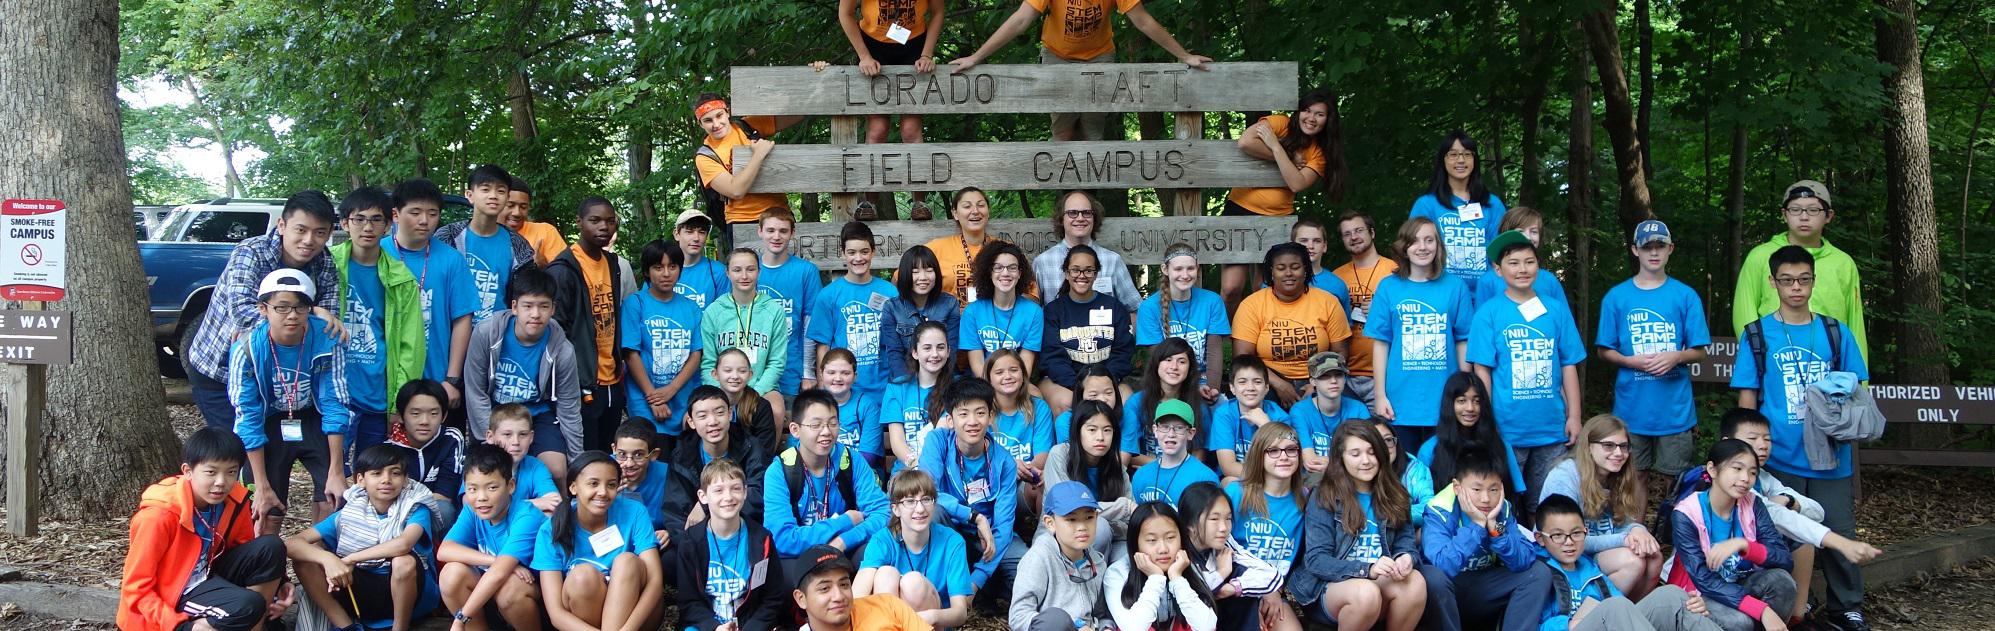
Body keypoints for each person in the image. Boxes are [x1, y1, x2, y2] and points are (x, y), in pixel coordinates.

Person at [1729, 244, 1871, 630]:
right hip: (1778, 455)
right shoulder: (1757, 334)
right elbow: (1748, 399)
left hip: (1830, 453)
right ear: (1772, 282)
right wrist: (1749, 452)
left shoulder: (1834, 332)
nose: (1796, 287)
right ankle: (1795, 604)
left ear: (1813, 281)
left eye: (1804, 279)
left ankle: (1847, 607)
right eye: (1787, 280)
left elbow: (1855, 387)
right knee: (1782, 531)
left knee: (1838, 528)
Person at [186, 190, 342, 430]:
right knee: (235, 445)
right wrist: (312, 314)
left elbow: (326, 328)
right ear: (282, 225)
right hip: (219, 369)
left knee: (269, 448)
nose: (309, 240)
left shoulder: (325, 263)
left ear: (329, 234)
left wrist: (309, 320)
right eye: (301, 230)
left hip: (275, 379)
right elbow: (242, 312)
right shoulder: (251, 252)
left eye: (319, 232)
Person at [949, 0, 1210, 141]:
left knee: (1093, 131)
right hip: (1057, 56)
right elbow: (1020, 20)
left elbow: (1142, 20)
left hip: (1099, 57)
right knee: (1062, 130)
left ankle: (1089, 201)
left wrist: (1184, 55)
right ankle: (1067, 202)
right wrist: (977, 57)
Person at [1718, 408, 1883, 623]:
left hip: (1745, 566)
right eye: (1752, 438)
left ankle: (1797, 616)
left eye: (1767, 439)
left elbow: (1817, 511)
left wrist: (1789, 500)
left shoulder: (1763, 478)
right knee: (1741, 622)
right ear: (1727, 442)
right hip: (1711, 579)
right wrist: (1842, 544)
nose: (1762, 445)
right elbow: (1779, 517)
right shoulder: (1725, 482)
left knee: (1796, 548)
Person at [119, 428, 292, 631]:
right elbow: (135, 588)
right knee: (246, 606)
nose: (221, 482)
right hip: (173, 595)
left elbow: (245, 548)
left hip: (207, 575)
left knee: (271, 546)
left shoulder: (233, 500)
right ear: (188, 471)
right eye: (211, 472)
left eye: (231, 472)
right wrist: (179, 626)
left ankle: (258, 625)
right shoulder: (157, 517)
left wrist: (279, 582)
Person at [1468, 230, 1585, 512]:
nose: (1522, 269)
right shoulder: (1488, 313)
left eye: (1529, 262)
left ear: (1538, 266)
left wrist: (1574, 416)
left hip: (1552, 427)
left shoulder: (1555, 310)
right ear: (1498, 270)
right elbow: (1482, 371)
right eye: (1514, 263)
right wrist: (1487, 420)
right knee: (1504, 502)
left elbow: (1569, 363)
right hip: (1507, 428)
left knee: (1547, 503)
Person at [231, 269, 351, 528]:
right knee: (266, 509)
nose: (293, 315)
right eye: (282, 307)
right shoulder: (247, 349)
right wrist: (261, 486)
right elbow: (247, 416)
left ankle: (317, 550)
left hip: (312, 415)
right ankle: (267, 551)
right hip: (270, 419)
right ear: (263, 309)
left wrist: (337, 471)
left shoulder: (328, 339)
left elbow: (335, 402)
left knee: (333, 498)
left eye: (300, 307)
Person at [1288, 420, 1429, 631]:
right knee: (1366, 593)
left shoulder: (1395, 493)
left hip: (1376, 581)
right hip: (1329, 588)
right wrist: (1367, 569)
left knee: (1415, 582)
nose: (1366, 460)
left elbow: (1405, 543)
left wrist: (1405, 558)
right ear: (1341, 457)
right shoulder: (1324, 495)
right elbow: (1316, 560)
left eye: (1372, 452)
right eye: (1355, 454)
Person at [1597, 219, 1710, 477]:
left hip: (1675, 410)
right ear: (1635, 250)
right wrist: (1630, 361)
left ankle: (1672, 508)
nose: (1654, 252)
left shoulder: (1685, 295)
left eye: (1660, 246)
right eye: (1647, 247)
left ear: (1671, 249)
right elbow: (1603, 350)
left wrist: (1677, 356)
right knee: (1632, 478)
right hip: (1631, 408)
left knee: (1676, 479)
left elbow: (1701, 351)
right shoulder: (1616, 297)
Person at [286, 445, 442, 631]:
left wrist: (351, 559)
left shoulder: (415, 507)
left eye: (395, 473)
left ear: (405, 480)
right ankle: (346, 626)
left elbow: (404, 544)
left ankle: (400, 627)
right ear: (360, 480)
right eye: (376, 473)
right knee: (305, 561)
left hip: (407, 592)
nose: (386, 480)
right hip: (358, 588)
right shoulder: (350, 513)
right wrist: (327, 559)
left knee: (404, 562)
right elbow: (291, 544)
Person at [1535, 494, 1722, 631]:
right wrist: (1567, 625)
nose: (1569, 542)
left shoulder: (1589, 568)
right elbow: (1527, 621)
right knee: (1614, 607)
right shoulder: (1537, 570)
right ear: (1540, 538)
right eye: (1558, 535)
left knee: (1672, 596)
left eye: (1576, 533)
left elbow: (1621, 607)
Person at [1221, 92, 1343, 303]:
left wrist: (1277, 147)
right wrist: (1289, 157)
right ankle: (1230, 326)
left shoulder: (1318, 153)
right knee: (1231, 288)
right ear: (1298, 111)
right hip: (1240, 208)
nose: (1311, 118)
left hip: (1277, 219)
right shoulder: (1280, 123)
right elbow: (1245, 142)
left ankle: (1257, 325)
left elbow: (1297, 183)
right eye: (1307, 110)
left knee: (1263, 288)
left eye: (1319, 114)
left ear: (1328, 119)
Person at [1666, 440, 1798, 631]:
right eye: (1737, 469)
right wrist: (1761, 610)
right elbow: (1703, 578)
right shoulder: (1686, 513)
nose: (1745, 478)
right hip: (1698, 594)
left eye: (1752, 473)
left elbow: (1784, 559)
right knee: (1740, 622)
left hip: (1740, 583)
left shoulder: (1753, 504)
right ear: (1712, 470)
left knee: (1782, 582)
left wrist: (1745, 545)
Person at [332, 187, 425, 457]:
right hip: (334, 391)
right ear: (345, 223)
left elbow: (411, 346)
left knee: (373, 469)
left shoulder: (401, 278)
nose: (367, 227)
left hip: (377, 393)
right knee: (330, 472)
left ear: (388, 225)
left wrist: (399, 402)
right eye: (359, 219)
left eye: (376, 220)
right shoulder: (327, 265)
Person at [465, 267, 583, 481]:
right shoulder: (486, 333)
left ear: (553, 308)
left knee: (557, 471)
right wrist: (488, 439)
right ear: (514, 307)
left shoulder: (563, 350)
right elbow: (475, 391)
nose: (535, 314)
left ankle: (561, 503)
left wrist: (577, 464)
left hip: (537, 414)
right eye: (528, 306)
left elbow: (569, 407)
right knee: (493, 470)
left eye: (543, 306)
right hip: (495, 412)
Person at [1420, 446, 1555, 631]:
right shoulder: (1439, 509)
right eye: (1477, 489)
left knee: (1538, 572)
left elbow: (1524, 559)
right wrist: (1476, 526)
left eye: (1493, 489)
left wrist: (1495, 529)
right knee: (1433, 577)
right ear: (1457, 487)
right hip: (1448, 591)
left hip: (1485, 587)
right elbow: (1441, 564)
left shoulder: (1502, 509)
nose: (1486, 498)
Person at [1731, 180, 1867, 360]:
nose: (1804, 217)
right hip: (1774, 359)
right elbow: (1744, 313)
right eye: (1795, 209)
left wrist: (1857, 373)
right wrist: (1757, 357)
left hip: (1830, 364)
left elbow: (1855, 322)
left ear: (1828, 216)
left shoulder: (1843, 263)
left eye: (1813, 210)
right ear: (1784, 214)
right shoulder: (1760, 257)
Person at [1367, 216, 1473, 448]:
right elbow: (1381, 344)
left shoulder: (1455, 286)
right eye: (1414, 241)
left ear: (1438, 245)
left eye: (1429, 240)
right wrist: (1380, 395)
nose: (1422, 247)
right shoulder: (1388, 287)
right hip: (1400, 401)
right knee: (1404, 467)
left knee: (1445, 466)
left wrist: (1465, 390)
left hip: (1445, 400)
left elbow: (1463, 340)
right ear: (1404, 247)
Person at [837, 0, 947, 220]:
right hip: (872, 44)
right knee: (877, 129)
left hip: (914, 44)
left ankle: (919, 202)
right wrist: (864, 56)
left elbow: (938, 12)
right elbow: (845, 13)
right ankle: (869, 202)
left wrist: (927, 54)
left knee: (911, 130)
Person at [532, 452, 665, 631]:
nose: (602, 492)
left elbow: (655, 582)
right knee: (581, 576)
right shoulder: (551, 529)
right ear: (573, 487)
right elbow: (556, 613)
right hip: (584, 617)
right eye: (593, 483)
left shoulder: (635, 511)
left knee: (627, 561)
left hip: (635, 618)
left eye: (611, 485)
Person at [1537, 414, 1665, 599]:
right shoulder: (1565, 477)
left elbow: (1623, 523)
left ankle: (1631, 610)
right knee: (1632, 561)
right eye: (1608, 445)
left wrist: (1637, 529)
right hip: (1566, 552)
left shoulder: (1618, 476)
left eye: (1623, 446)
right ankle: (1595, 611)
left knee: (1654, 557)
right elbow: (1566, 539)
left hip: (1596, 549)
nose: (1619, 453)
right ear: (1588, 446)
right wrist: (1626, 539)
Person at [383, 179, 477, 413]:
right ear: (396, 214)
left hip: (436, 380)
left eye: (432, 213)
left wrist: (452, 379)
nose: (424, 220)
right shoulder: (379, 253)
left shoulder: (452, 260)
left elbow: (462, 319)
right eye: (415, 212)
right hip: (384, 378)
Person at [917, 378, 1020, 591]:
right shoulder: (938, 442)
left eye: (980, 413)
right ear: (950, 419)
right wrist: (974, 516)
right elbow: (928, 492)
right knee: (932, 511)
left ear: (991, 416)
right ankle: (939, 591)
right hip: (950, 529)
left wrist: (976, 583)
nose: (972, 421)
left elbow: (1004, 525)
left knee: (1022, 564)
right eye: (963, 414)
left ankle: (982, 588)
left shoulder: (1005, 461)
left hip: (988, 536)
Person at [764, 388, 893, 558]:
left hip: (843, 553)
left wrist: (844, 540)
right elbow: (783, 540)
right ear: (795, 430)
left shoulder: (850, 460)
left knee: (873, 553)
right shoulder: (779, 471)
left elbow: (883, 512)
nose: (826, 432)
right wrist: (844, 522)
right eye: (816, 425)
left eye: (832, 424)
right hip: (799, 558)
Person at [544, 196, 628, 452]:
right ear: (579, 222)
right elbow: (556, 330)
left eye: (610, 221)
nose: (604, 227)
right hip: (582, 380)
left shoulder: (612, 263)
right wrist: (573, 378)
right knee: (585, 454)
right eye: (595, 220)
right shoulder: (564, 269)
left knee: (609, 450)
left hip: (612, 375)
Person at [438, 443, 547, 631]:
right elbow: (445, 550)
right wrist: (494, 560)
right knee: (451, 574)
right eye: (473, 489)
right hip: (491, 594)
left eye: (492, 488)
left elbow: (499, 573)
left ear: (510, 485)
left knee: (510, 588)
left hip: (531, 601)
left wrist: (460, 619)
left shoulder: (527, 516)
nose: (481, 497)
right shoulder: (473, 510)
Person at [1232, 242, 1351, 406]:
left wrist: (1317, 383)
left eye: (1295, 267)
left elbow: (1340, 352)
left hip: (1320, 376)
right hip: (1267, 380)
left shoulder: (1328, 302)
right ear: (1272, 272)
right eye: (1281, 268)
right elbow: (1243, 357)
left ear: (1305, 270)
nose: (1288, 273)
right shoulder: (1251, 305)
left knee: (1352, 409)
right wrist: (1279, 385)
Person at [855, 470, 975, 628]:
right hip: (891, 624)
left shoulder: (952, 541)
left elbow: (960, 613)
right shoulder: (882, 540)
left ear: (934, 504)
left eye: (926, 499)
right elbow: (857, 598)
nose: (920, 509)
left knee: (912, 583)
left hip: (931, 624)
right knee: (885, 574)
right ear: (896, 509)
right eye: (910, 501)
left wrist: (925, 617)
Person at [675, 459, 782, 631]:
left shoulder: (762, 540)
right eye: (718, 490)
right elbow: (688, 601)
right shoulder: (690, 542)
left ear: (745, 492)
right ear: (703, 496)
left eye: (736, 488)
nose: (728, 497)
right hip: (707, 625)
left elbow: (772, 598)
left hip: (750, 624)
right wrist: (714, 627)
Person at [620, 239, 704, 449]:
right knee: (656, 457)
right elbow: (631, 354)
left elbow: (696, 353)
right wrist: (654, 399)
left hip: (683, 400)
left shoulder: (691, 307)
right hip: (645, 401)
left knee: (686, 461)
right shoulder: (635, 304)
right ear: (647, 271)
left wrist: (672, 389)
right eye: (658, 267)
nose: (666, 273)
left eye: (672, 267)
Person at [434, 165, 537, 324]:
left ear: (507, 197)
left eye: (500, 191)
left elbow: (526, 296)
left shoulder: (518, 245)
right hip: (450, 328)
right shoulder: (447, 236)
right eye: (485, 189)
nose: (493, 196)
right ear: (470, 195)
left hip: (497, 331)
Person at [809, 221, 898, 402]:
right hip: (844, 387)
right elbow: (823, 346)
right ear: (843, 254)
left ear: (873, 251)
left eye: (864, 251)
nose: (858, 258)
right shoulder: (828, 295)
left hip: (884, 386)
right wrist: (823, 386)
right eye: (851, 252)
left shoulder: (890, 292)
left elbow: (898, 341)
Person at [1409, 131, 1508, 290]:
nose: (1461, 160)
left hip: (1485, 293)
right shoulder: (1426, 204)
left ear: (1475, 160)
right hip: (1440, 292)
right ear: (1443, 159)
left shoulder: (1492, 204)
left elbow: (1504, 252)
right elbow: (1415, 249)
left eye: (1467, 154)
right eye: (1453, 154)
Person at [700, 248, 790, 424]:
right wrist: (722, 393)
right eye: (737, 270)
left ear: (759, 272)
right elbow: (708, 363)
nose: (744, 276)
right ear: (727, 273)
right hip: (722, 387)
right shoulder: (714, 312)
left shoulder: (774, 310)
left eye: (750, 269)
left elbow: (776, 362)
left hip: (762, 387)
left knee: (776, 410)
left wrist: (754, 393)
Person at [664, 385, 773, 531]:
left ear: (730, 414)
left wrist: (705, 506)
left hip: (744, 529)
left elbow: (758, 495)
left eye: (719, 412)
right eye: (702, 416)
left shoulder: (751, 446)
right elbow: (675, 513)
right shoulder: (682, 455)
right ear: (691, 422)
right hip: (699, 537)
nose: (713, 421)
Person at [1040, 245, 1134, 411]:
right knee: (1066, 401)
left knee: (1127, 399)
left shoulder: (1114, 307)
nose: (1082, 275)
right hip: (1067, 382)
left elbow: (1122, 352)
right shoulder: (1053, 310)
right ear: (1066, 273)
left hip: (1107, 379)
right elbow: (1052, 357)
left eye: (1089, 270)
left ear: (1096, 274)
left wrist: (1103, 383)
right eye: (1075, 270)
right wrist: (1079, 386)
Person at [1008, 481, 1112, 631]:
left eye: (1089, 517)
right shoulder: (1039, 558)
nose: (1082, 527)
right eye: (1071, 519)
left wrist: (1106, 627)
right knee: (1057, 620)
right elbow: (1018, 616)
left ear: (1097, 517)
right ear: (1050, 523)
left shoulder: (1097, 562)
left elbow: (1101, 615)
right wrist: (1074, 626)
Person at [1043, 399, 1136, 559]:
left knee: (1129, 558)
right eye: (1092, 429)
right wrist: (1122, 508)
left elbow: (1128, 522)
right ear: (1077, 431)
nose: (1100, 437)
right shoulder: (1060, 455)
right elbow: (1068, 508)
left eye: (1107, 430)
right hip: (1062, 538)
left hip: (1113, 539)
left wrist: (1120, 514)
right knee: (1100, 527)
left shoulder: (1117, 468)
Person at [1107, 502, 1219, 631]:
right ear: (1135, 543)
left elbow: (1206, 626)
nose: (1163, 549)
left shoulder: (1182, 564)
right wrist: (1155, 578)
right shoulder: (1117, 573)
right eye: (1152, 540)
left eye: (1170, 537)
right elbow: (1133, 628)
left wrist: (1177, 578)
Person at [1136, 243, 1229, 399]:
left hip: (1204, 381)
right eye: (1178, 269)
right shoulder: (1149, 308)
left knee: (1219, 408)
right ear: (1165, 269)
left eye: (1190, 268)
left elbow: (1214, 352)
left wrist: (1212, 389)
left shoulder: (1212, 301)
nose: (1185, 275)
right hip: (1168, 383)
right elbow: (1158, 360)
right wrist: (1187, 392)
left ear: (1197, 268)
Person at [692, 93, 788, 242]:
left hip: (779, 213)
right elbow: (736, 191)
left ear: (727, 112)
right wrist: (759, 154)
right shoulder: (705, 156)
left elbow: (798, 115)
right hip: (743, 220)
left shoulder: (747, 127)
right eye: (708, 120)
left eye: (719, 115)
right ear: (700, 124)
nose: (716, 124)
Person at [1416, 372, 1527, 496]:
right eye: (1462, 400)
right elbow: (1422, 500)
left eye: (1477, 401)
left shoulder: (1501, 445)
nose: (1470, 408)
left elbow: (1515, 494)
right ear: (1449, 404)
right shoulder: (1429, 450)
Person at [1224, 423, 1308, 581]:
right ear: (1259, 455)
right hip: (1237, 583)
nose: (1284, 456)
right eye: (1273, 451)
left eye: (1291, 449)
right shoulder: (1236, 492)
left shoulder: (1305, 498)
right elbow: (1218, 548)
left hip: (1282, 586)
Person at [754, 209, 822, 404]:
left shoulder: (806, 271)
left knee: (790, 421)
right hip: (751, 371)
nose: (776, 237)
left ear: (792, 233)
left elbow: (810, 324)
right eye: (770, 230)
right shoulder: (748, 270)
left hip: (791, 370)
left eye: (783, 231)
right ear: (760, 231)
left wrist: (808, 371)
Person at [1032, 191, 1141, 310]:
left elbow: (1135, 309)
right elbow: (1030, 313)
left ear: (1094, 218)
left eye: (1086, 213)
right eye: (1072, 213)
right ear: (1061, 219)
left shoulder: (1112, 261)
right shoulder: (1042, 262)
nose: (1080, 218)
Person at [1330, 211, 1395, 406]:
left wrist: (1382, 311)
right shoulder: (1336, 277)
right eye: (1347, 234)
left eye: (1359, 230)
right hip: (1345, 374)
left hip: (1385, 372)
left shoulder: (1395, 271)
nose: (1354, 237)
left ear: (1372, 233)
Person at [791, 544, 935, 631]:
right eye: (824, 588)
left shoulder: (888, 605)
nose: (838, 596)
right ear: (801, 599)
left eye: (844, 584)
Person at [388, 380, 466, 528]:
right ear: (401, 416)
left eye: (433, 413)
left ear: (444, 416)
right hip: (398, 515)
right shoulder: (389, 448)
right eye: (415, 414)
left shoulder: (451, 439)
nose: (424, 421)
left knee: (443, 510)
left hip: (435, 511)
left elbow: (444, 495)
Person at [960, 240, 1042, 377]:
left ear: (1020, 273)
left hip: (1016, 381)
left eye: (1012, 268)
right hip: (982, 383)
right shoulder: (972, 312)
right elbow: (977, 366)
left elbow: (1025, 367)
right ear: (989, 272)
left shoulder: (1033, 312)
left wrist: (1010, 386)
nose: (1005, 273)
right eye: (998, 267)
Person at [1123, 338, 1211, 465]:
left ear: (1190, 368)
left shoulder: (1199, 406)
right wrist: (1163, 467)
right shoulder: (1136, 403)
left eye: (1182, 361)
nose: (1174, 367)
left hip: (1184, 473)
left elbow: (1199, 453)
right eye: (1168, 360)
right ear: (1156, 364)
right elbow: (1128, 452)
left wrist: (1175, 470)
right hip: (1147, 470)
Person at [1288, 351, 1371, 482]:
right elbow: (1310, 461)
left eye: (1338, 375)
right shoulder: (1300, 411)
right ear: (1313, 381)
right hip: (1314, 480)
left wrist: (1332, 465)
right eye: (1325, 376)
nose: (1333, 381)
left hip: (1351, 478)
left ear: (1345, 378)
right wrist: (1343, 463)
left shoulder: (1359, 409)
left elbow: (1366, 455)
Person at [882, 245, 962, 380]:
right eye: (915, 272)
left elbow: (951, 350)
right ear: (905, 274)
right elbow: (894, 354)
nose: (923, 277)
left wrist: (940, 384)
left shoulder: (949, 303)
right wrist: (908, 385)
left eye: (929, 270)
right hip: (907, 379)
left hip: (944, 378)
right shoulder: (892, 307)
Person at [988, 349, 1054, 511]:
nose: (1007, 376)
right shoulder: (982, 410)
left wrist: (1025, 471)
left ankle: (1043, 527)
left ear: (1023, 375)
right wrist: (1010, 467)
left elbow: (1042, 456)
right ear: (988, 378)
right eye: (999, 372)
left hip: (1025, 482)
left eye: (1013, 370)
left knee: (1044, 483)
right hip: (990, 485)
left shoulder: (1039, 407)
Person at [885, 321, 954, 471]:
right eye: (927, 348)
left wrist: (929, 469)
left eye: (940, 347)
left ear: (948, 351)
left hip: (943, 470)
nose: (934, 354)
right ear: (915, 353)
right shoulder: (896, 388)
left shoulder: (958, 388)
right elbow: (897, 442)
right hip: (907, 472)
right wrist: (916, 465)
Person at [1209, 356, 1291, 481]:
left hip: (1273, 481)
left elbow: (1285, 461)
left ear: (1266, 388)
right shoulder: (1224, 414)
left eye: (1257, 382)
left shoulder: (1280, 417)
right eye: (1242, 382)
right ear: (1232, 388)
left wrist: (1266, 426)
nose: (1250, 388)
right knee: (1229, 482)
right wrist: (1264, 477)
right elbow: (1228, 467)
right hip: (1243, 477)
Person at [1472, 206, 1568, 310]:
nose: (1528, 237)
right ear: (1506, 234)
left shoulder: (1549, 280)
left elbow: (1563, 316)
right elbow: (1481, 317)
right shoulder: (1488, 281)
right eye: (1520, 231)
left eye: (1534, 232)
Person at [1130, 399, 1220, 504]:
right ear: (1155, 430)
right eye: (1165, 427)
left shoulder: (1204, 478)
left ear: (1190, 433)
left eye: (1179, 428)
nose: (1171, 434)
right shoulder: (1141, 475)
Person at [917, 187, 995, 306]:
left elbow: (1025, 292)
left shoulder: (1003, 249)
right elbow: (901, 279)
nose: (975, 211)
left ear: (988, 212)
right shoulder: (936, 248)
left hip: (992, 317)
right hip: (947, 317)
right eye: (967, 206)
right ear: (955, 213)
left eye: (981, 205)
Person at [485, 404, 562, 511]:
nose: (516, 442)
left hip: (525, 521)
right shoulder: (479, 464)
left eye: (522, 434)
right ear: (490, 437)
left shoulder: (535, 466)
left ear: (531, 437)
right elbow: (473, 506)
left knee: (548, 513)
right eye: (507, 434)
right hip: (491, 523)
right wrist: (535, 503)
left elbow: (555, 502)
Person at [711, 345, 782, 455]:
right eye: (728, 370)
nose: (735, 376)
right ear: (715, 374)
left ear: (750, 374)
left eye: (742, 371)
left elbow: (764, 451)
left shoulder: (761, 407)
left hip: (750, 464)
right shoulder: (706, 405)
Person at [820, 348, 886, 465]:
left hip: (860, 470)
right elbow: (799, 448)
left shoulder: (867, 406)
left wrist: (838, 472)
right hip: (820, 470)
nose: (838, 378)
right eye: (831, 372)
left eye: (845, 373)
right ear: (821, 374)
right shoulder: (811, 405)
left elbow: (868, 455)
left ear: (855, 376)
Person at [610, 420, 673, 535]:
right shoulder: (600, 472)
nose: (629, 464)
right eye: (622, 454)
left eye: (638, 455)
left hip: (653, 536)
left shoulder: (668, 475)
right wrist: (607, 497)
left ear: (654, 455)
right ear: (614, 449)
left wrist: (670, 532)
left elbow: (679, 516)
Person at [1289, 218, 1354, 316]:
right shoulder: (1276, 282)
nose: (1310, 246)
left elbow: (1344, 324)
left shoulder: (1337, 285)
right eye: (1304, 241)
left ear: (1324, 246)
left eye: (1317, 241)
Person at [1369, 416, 1433, 512]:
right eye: (1376, 442)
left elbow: (1429, 505)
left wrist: (1394, 514)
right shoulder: (1359, 472)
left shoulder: (1414, 468)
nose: (1384, 447)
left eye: (1388, 440)